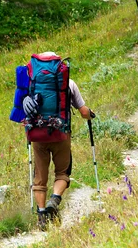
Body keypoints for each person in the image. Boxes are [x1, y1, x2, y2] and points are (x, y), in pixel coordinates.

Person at [22, 52, 94, 229]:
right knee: (62, 172)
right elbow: (84, 112)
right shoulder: (67, 83)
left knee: (40, 178)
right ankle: (54, 200)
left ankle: (41, 216)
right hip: (61, 134)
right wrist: (91, 114)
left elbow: (20, 111)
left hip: (38, 136)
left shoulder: (31, 84)